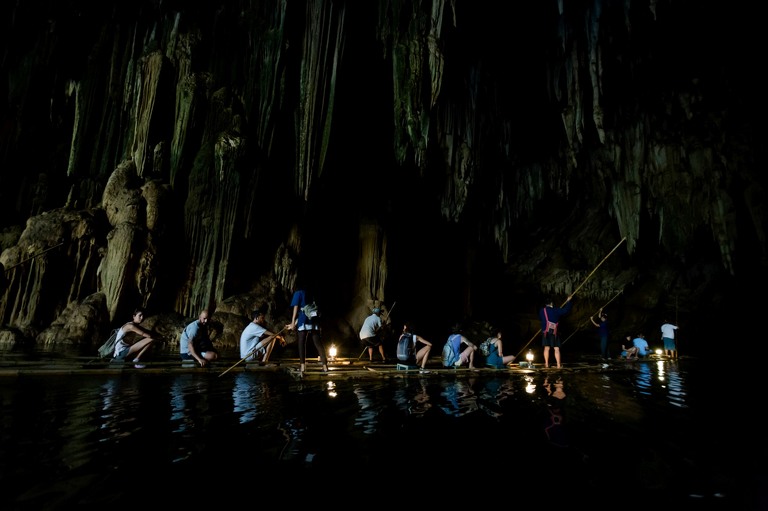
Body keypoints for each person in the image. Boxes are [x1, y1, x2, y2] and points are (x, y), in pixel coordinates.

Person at [285, 287, 328, 373]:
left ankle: (303, 367)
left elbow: (296, 309)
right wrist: (293, 323)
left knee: (301, 343)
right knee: (318, 343)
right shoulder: (312, 291)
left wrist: (293, 323)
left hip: (304, 320)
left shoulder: (298, 293)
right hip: (313, 319)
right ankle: (325, 367)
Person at [539, 295, 573, 368]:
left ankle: (546, 364)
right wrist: (568, 301)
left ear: (545, 304)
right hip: (554, 332)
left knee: (546, 348)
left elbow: (541, 319)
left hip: (545, 331)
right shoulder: (556, 310)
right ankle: (558, 365)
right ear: (551, 303)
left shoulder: (542, 310)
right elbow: (566, 311)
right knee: (556, 348)